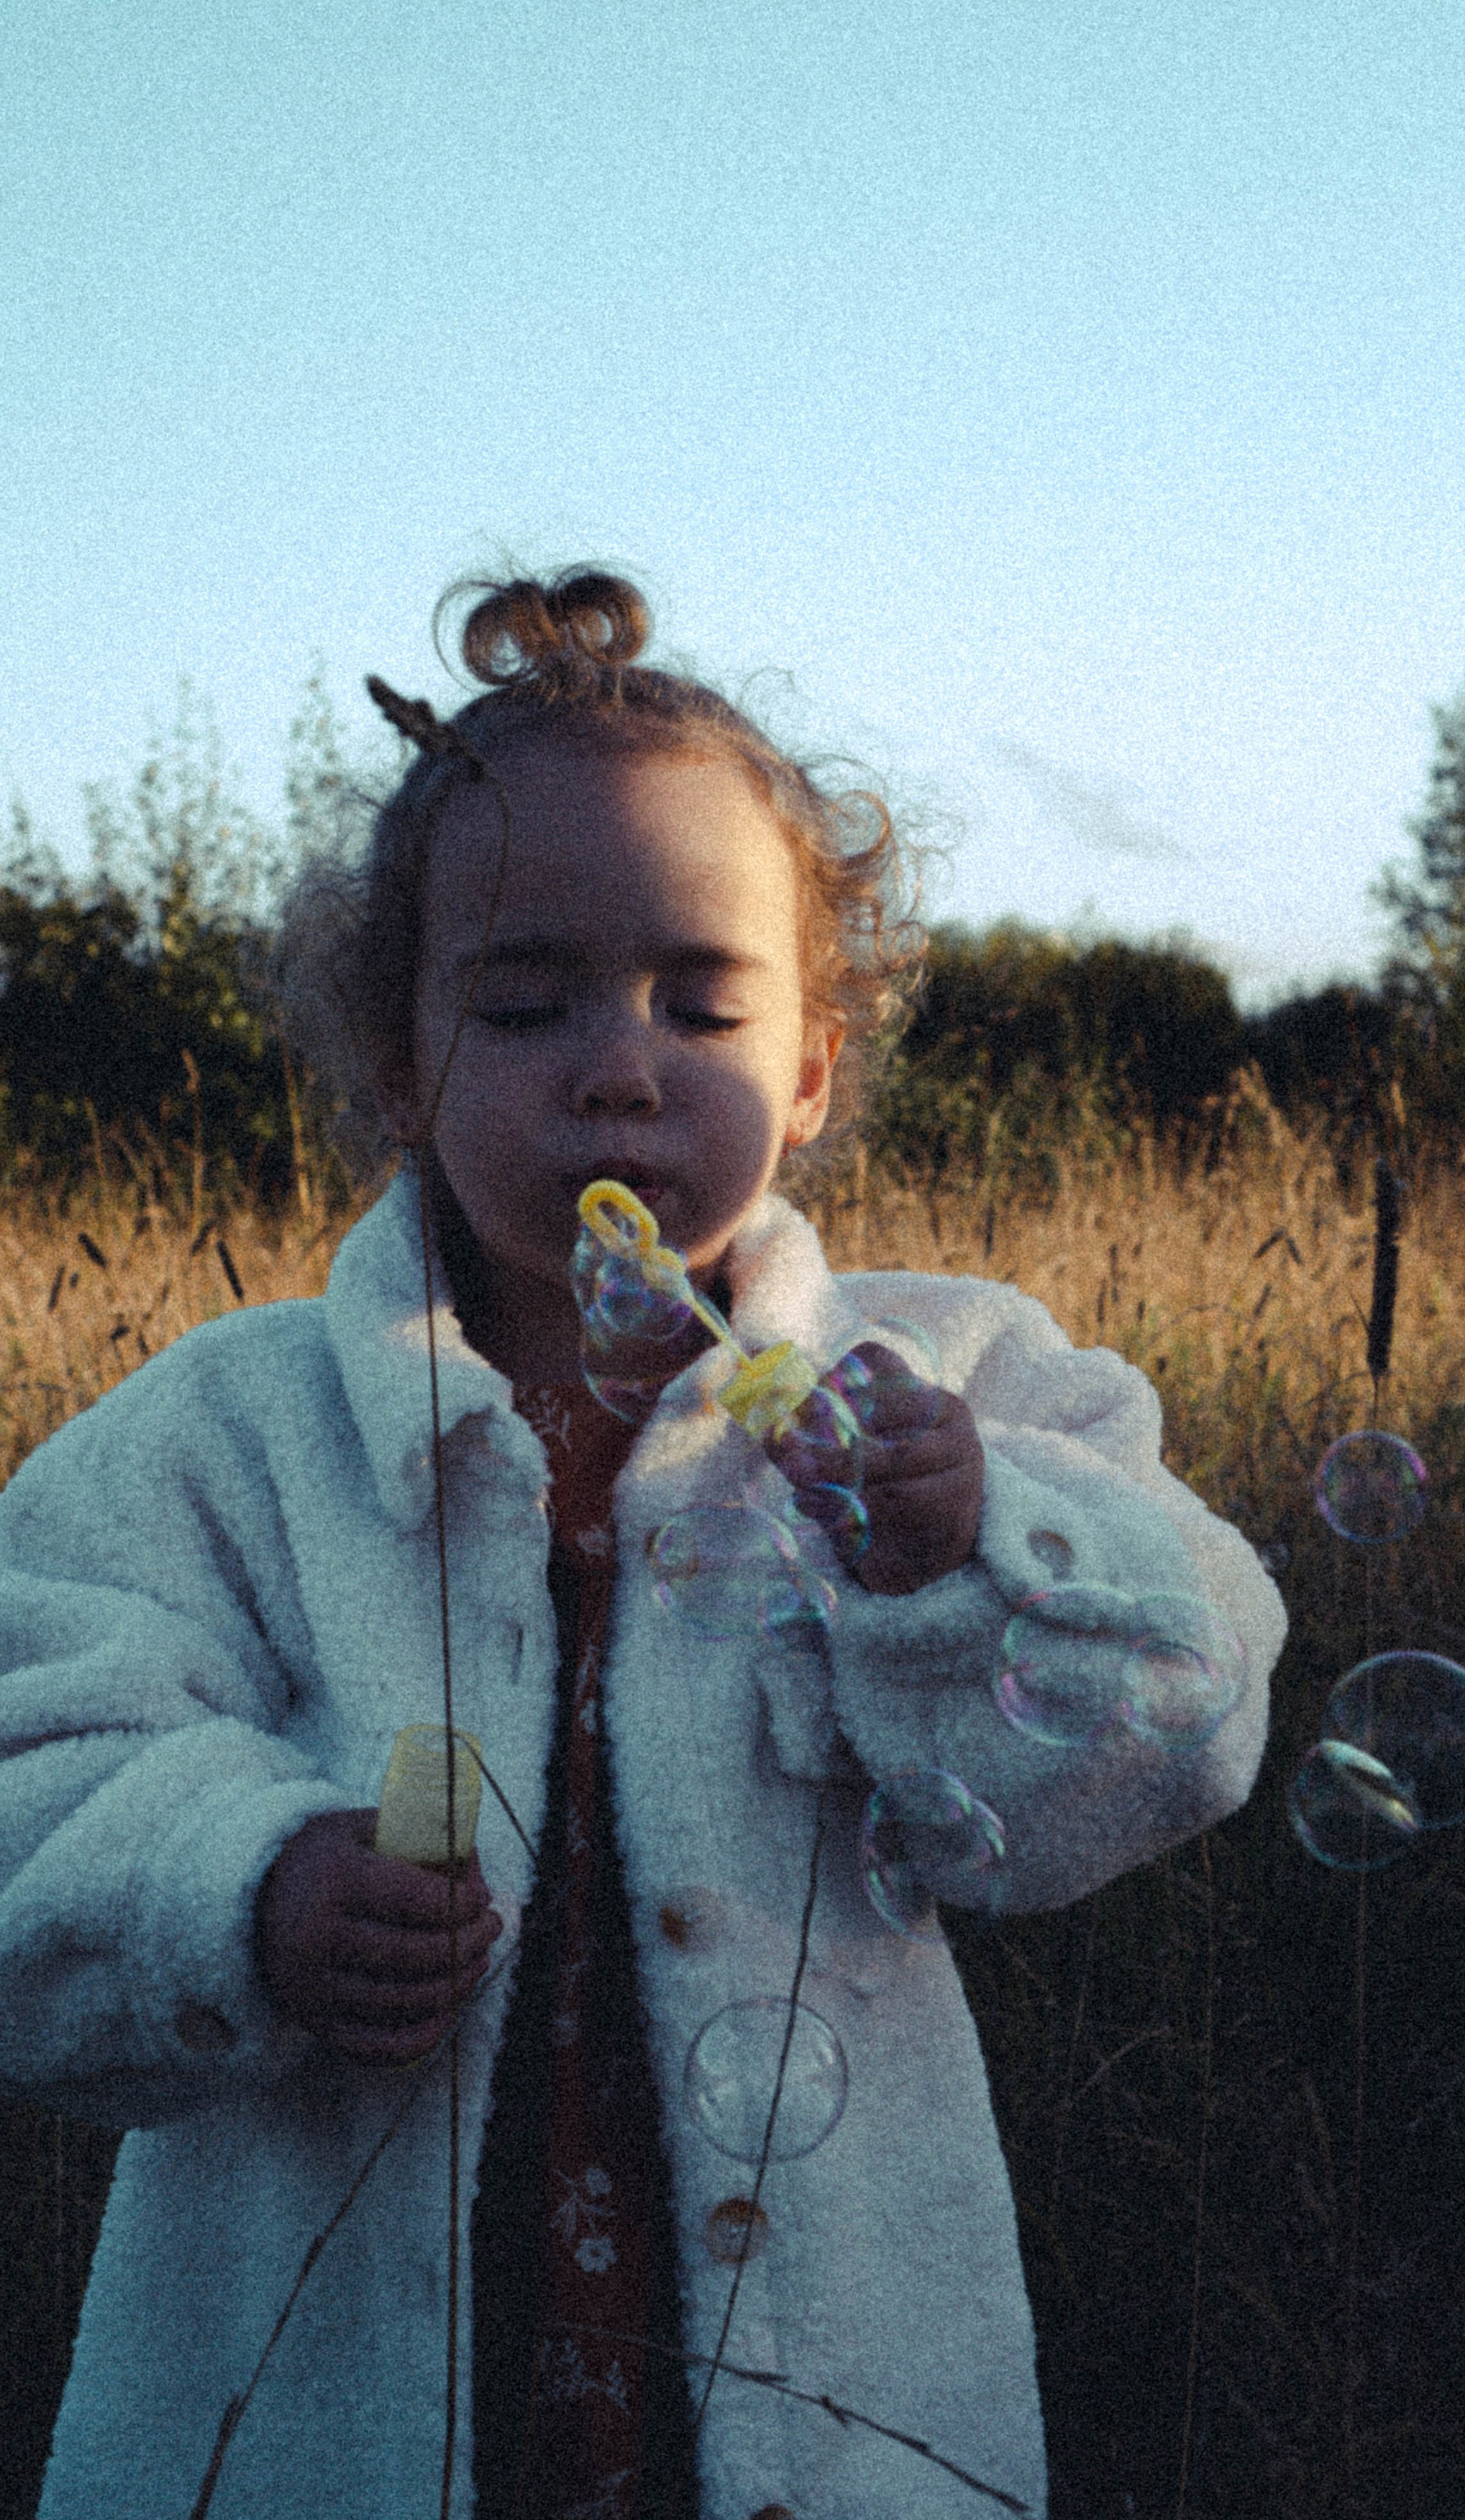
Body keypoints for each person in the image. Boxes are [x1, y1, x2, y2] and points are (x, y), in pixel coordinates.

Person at [0, 571, 1285, 2520]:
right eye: (524, 1004)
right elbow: (28, 1757)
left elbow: (1191, 1710)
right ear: (400, 1064)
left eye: (704, 1001)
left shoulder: (955, 1385)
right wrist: (242, 1889)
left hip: (814, 2408)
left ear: (815, 1067)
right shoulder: (234, 1437)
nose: (621, 1063)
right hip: (318, 2401)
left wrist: (965, 1552)